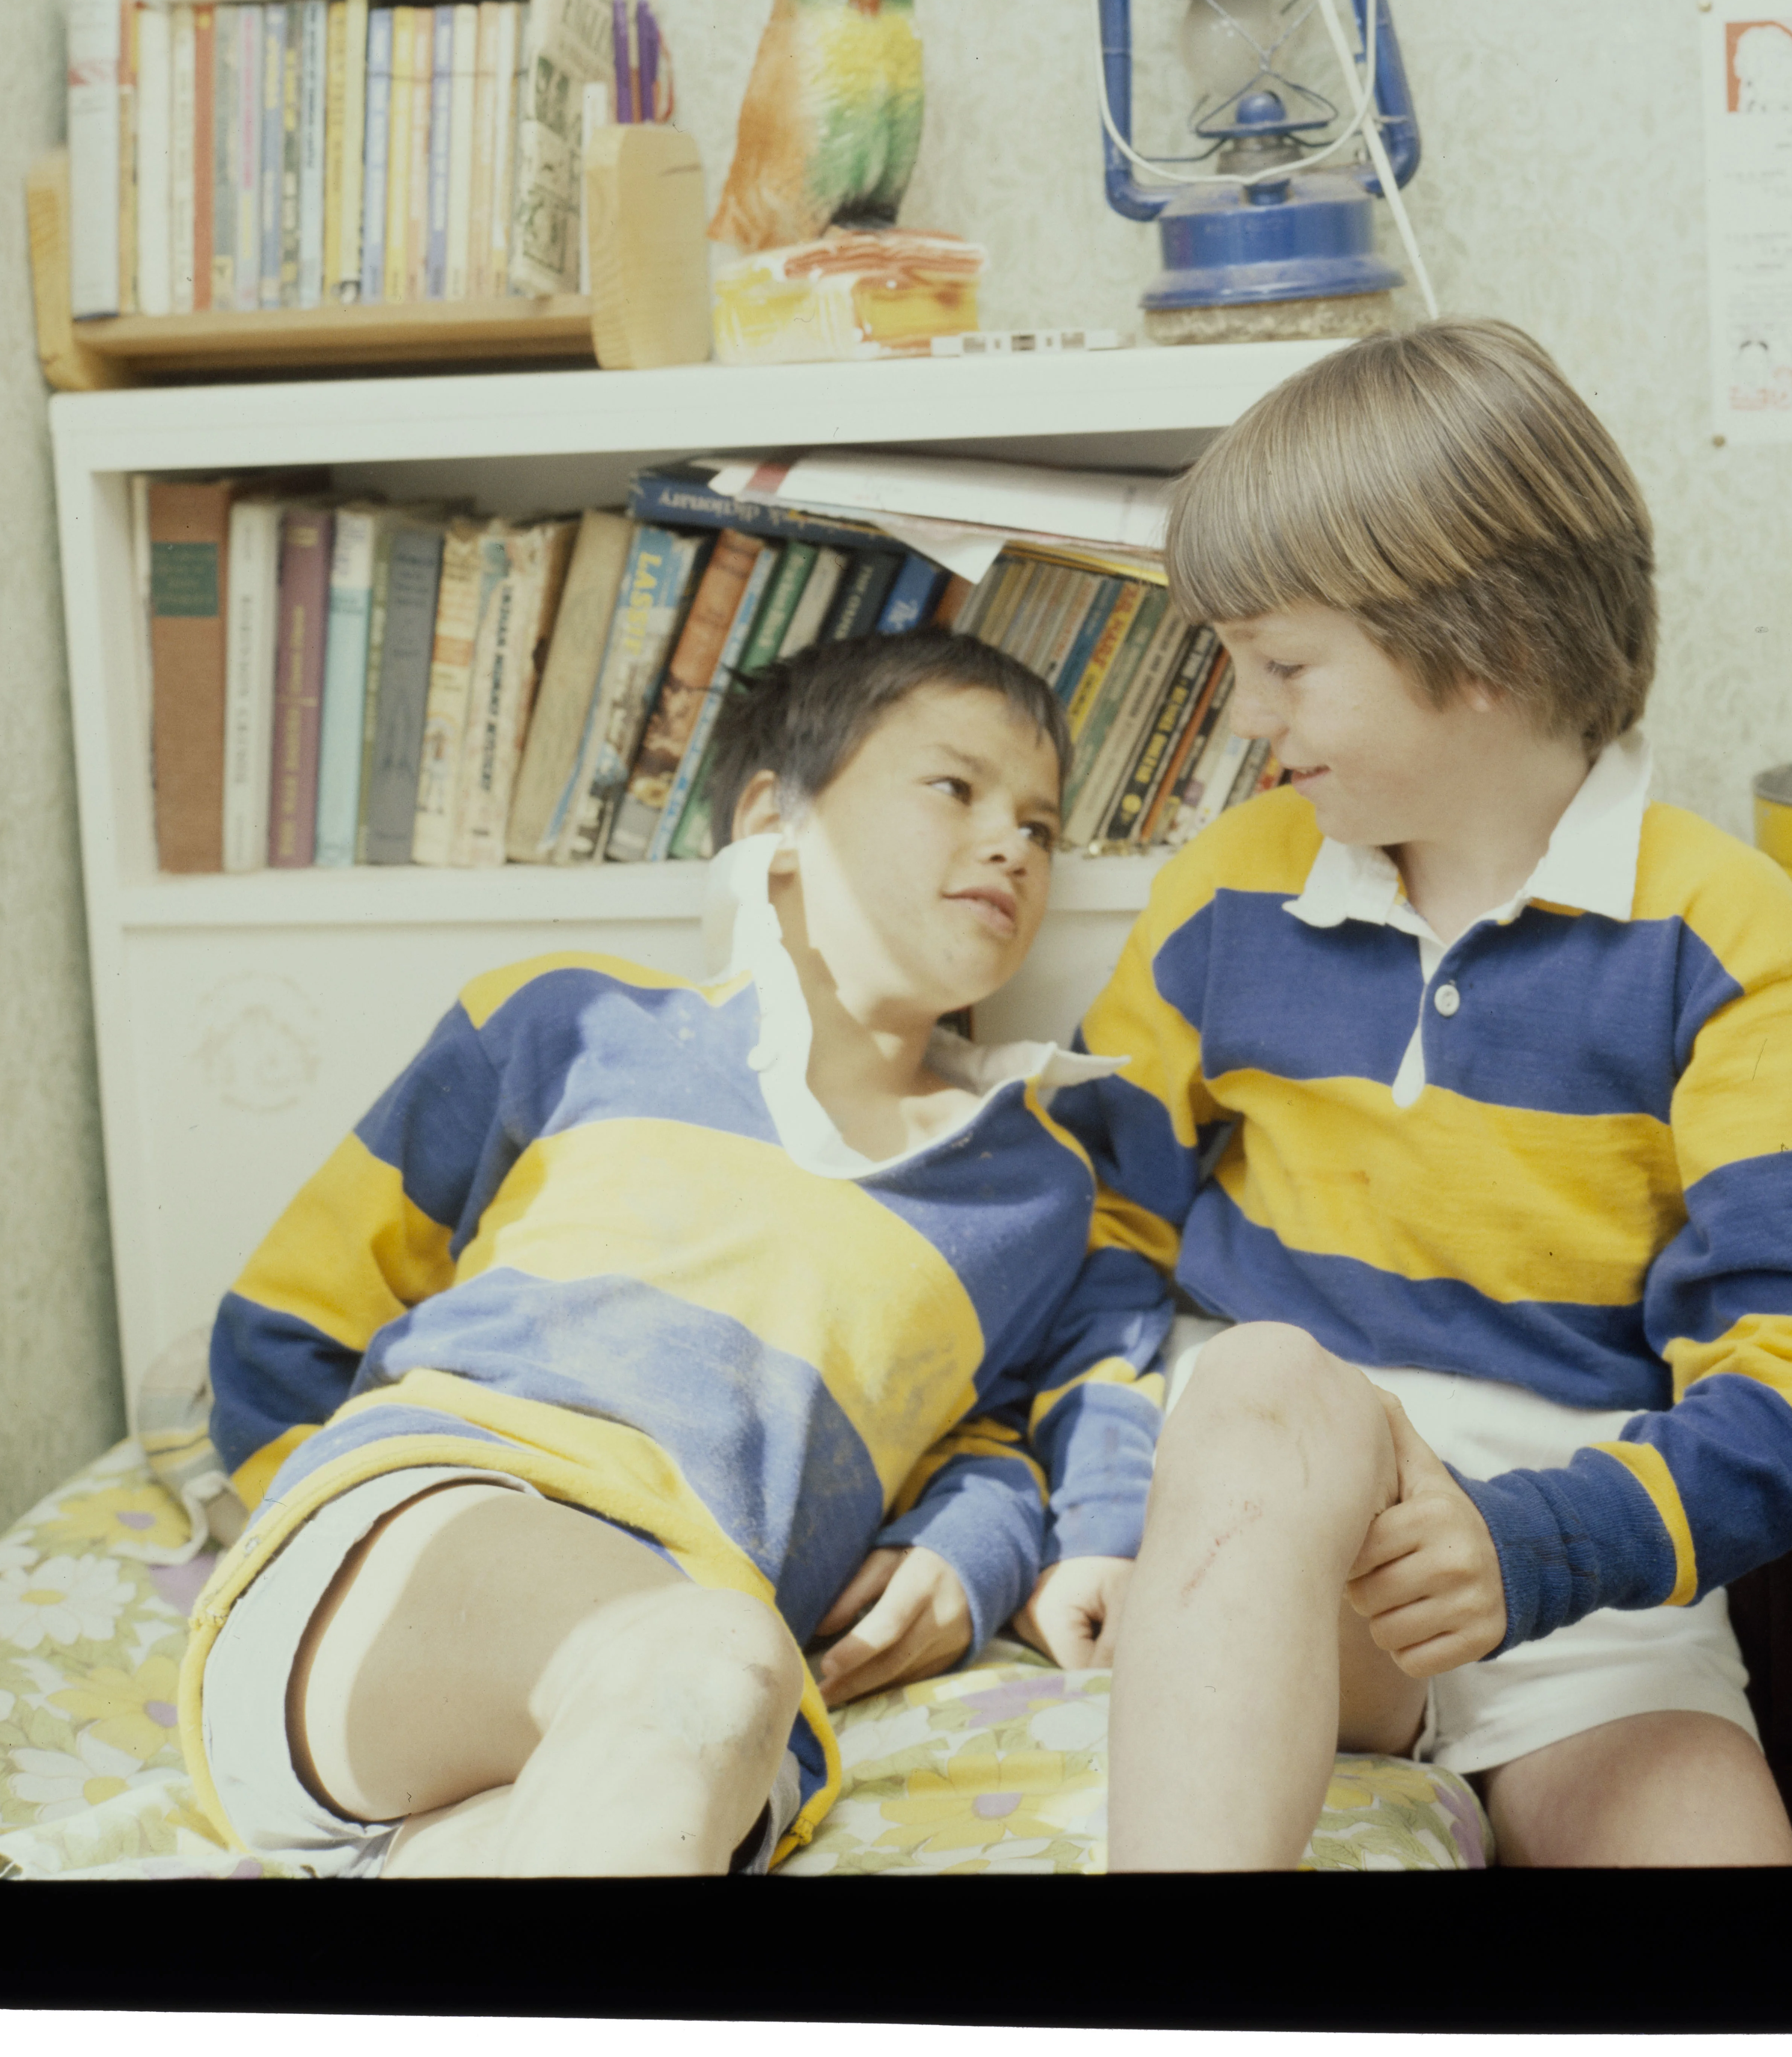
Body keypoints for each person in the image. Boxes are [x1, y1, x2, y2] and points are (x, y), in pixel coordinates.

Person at [1057, 322, 1792, 1868]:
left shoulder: (1718, 933)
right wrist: (1093, 1509)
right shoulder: (1224, 895)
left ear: (1483, 650)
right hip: (1271, 1569)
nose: (1246, 716)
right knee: (1256, 1383)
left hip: (1572, 1589)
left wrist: (1537, 1546)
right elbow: (1093, 1224)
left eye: (1282, 666)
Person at [177, 628, 1167, 1876]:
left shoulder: (1036, 1186)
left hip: (684, 1720)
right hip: (420, 1567)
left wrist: (970, 1554)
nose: (1015, 843)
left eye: (1043, 823)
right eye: (955, 788)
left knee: (684, 1710)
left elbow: (995, 1437)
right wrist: (309, 1540)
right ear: (775, 822)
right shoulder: (570, 1021)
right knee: (708, 1658)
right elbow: (288, 1323)